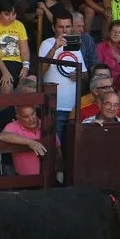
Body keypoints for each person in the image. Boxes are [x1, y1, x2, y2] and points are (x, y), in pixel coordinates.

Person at [38, 14, 87, 143]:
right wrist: (55, 47)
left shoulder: (75, 46)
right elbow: (40, 70)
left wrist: (79, 75)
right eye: (61, 27)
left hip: (73, 108)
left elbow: (85, 74)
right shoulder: (47, 43)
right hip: (54, 106)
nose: (65, 30)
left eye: (68, 27)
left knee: (70, 148)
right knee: (55, 148)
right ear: (54, 28)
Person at [0, 0, 30, 94]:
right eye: (7, 14)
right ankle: (9, 109)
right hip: (0, 63)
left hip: (18, 63)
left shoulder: (19, 25)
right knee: (7, 86)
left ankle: (17, 107)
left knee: (32, 83)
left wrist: (26, 66)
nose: (11, 18)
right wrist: (4, 72)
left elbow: (24, 50)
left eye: (13, 14)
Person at [0, 105, 50, 176]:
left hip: (47, 179)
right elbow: (3, 136)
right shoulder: (14, 126)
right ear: (18, 117)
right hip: (25, 182)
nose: (32, 119)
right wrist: (30, 142)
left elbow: (57, 149)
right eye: (26, 117)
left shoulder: (45, 124)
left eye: (33, 114)